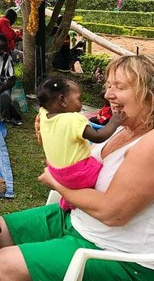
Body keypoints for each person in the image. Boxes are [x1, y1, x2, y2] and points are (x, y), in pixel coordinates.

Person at [0, 54, 154, 281]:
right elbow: (77, 160)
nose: (108, 94)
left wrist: (57, 184)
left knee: (5, 265)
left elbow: (112, 213)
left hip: (121, 259)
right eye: (108, 85)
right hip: (77, 221)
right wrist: (55, 138)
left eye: (120, 87)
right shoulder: (124, 129)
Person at [36, 76, 123, 210]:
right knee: (105, 172)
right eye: (79, 99)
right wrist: (115, 121)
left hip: (56, 170)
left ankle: (68, 200)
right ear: (62, 100)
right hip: (78, 174)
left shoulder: (44, 114)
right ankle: (78, 200)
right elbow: (98, 137)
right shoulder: (73, 119)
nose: (81, 104)